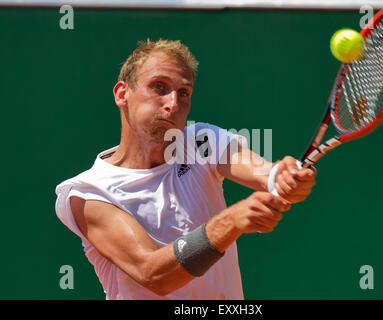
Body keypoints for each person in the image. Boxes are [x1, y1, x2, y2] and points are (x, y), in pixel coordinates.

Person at [55, 39, 317, 300]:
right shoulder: (89, 193)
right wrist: (229, 222)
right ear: (122, 93)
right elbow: (153, 273)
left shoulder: (200, 139)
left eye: (184, 93)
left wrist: (282, 178)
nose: (173, 104)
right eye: (159, 87)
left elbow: (264, 172)